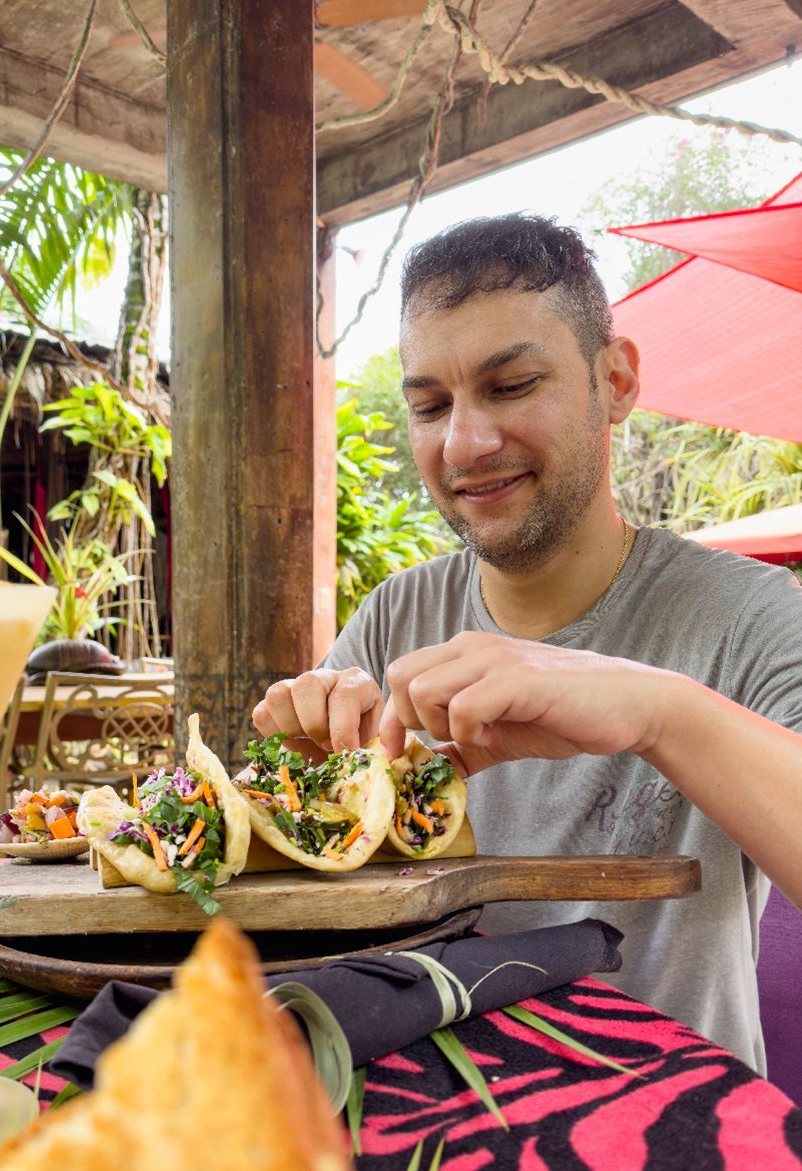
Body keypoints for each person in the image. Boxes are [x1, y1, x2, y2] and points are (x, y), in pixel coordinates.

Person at [253, 214, 802, 1073]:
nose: (464, 443)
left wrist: (656, 711)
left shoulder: (752, 613)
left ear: (614, 380)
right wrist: (295, 789)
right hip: (427, 1110)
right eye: (429, 405)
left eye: (511, 386)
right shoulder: (398, 614)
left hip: (675, 1125)